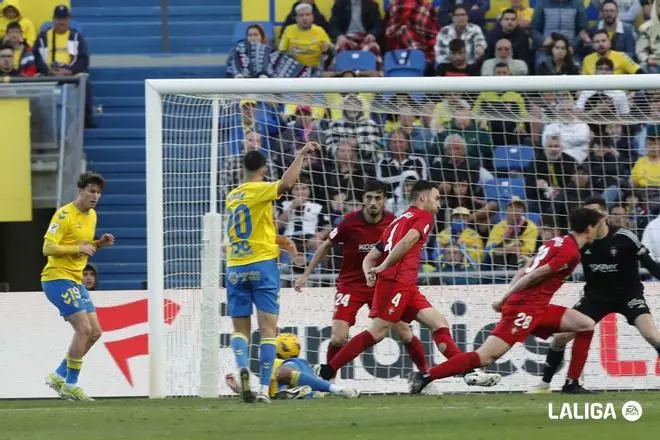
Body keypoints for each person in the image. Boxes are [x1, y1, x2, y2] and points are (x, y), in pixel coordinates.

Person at [318, 180, 501, 387]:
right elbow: (406, 242)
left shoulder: (397, 221)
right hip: (396, 282)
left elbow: (370, 256)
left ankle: (468, 372)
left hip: (407, 284)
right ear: (423, 197)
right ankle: (328, 369)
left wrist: (370, 271)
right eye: (437, 198)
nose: (439, 204)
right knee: (377, 333)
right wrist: (383, 266)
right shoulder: (424, 216)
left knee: (439, 323)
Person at [410, 207, 605, 394]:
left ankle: (572, 383)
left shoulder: (557, 241)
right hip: (524, 308)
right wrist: (505, 297)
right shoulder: (570, 252)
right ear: (589, 228)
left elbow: (524, 269)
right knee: (485, 357)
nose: (601, 229)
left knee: (585, 324)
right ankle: (426, 376)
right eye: (598, 225)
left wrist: (509, 293)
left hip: (537, 306)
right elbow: (534, 275)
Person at [294, 180, 431, 378]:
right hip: (351, 286)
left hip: (381, 285)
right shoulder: (350, 222)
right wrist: (306, 274)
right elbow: (325, 245)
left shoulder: (394, 222)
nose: (373, 202)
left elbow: (406, 249)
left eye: (378, 198)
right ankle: (328, 382)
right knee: (338, 339)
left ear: (384, 200)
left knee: (405, 332)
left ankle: (425, 377)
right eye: (369, 198)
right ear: (362, 200)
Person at [528, 197, 660, 394]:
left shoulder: (624, 237)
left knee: (651, 335)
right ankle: (546, 384)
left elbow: (649, 264)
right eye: (587, 213)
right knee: (561, 337)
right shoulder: (580, 241)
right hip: (595, 297)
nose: (590, 218)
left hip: (628, 295)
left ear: (604, 215)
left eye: (594, 213)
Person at [225, 142, 319, 403]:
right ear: (264, 169)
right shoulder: (262, 189)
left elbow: (251, 231)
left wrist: (278, 239)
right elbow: (287, 184)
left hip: (235, 266)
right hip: (262, 266)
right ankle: (265, 389)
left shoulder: (232, 195)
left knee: (240, 330)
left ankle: (242, 365)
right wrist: (300, 155)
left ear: (243, 168)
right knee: (268, 330)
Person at [42, 172, 115, 401]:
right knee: (83, 329)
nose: (95, 196)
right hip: (57, 278)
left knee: (95, 332)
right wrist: (78, 249)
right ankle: (70, 385)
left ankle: (59, 375)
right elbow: (48, 248)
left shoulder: (92, 216)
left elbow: (84, 247)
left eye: (98, 193)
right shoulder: (63, 215)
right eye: (92, 191)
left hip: (75, 279)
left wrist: (98, 244)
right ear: (80, 191)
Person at [225, 333, 359, 399]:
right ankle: (301, 392)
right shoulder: (300, 364)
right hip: (297, 390)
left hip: (296, 372)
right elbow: (267, 397)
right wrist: (240, 391)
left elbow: (284, 373)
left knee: (283, 374)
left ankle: (334, 389)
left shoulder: (295, 363)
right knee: (277, 394)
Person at [33, 5, 95, 128]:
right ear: (53, 20)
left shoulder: (76, 36)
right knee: (34, 81)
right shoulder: (43, 37)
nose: (61, 22)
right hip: (48, 74)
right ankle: (37, 122)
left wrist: (69, 71)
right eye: (59, 18)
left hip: (70, 74)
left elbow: (83, 59)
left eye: (64, 18)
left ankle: (87, 119)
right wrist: (48, 71)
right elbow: (37, 58)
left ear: (69, 20)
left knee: (85, 81)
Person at [279, 3, 333, 68]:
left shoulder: (320, 31)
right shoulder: (288, 30)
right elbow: (281, 51)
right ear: (296, 18)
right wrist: (289, 53)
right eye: (301, 15)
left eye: (307, 15)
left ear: (312, 17)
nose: (304, 18)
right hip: (294, 68)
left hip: (314, 69)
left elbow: (331, 49)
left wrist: (326, 49)